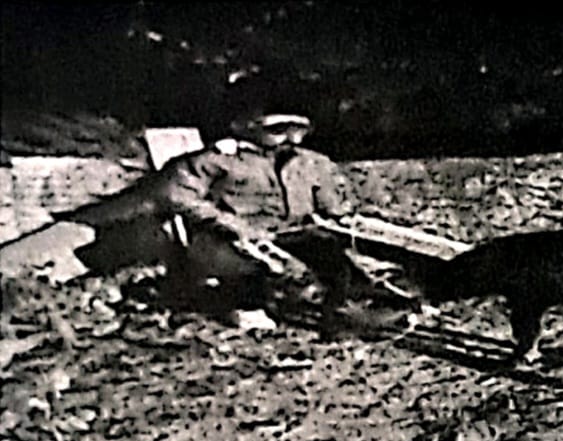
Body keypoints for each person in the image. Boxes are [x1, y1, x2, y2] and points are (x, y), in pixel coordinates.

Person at [55, 112, 407, 337]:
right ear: (246, 127)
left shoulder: (309, 161)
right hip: (226, 238)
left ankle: (346, 309)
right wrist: (228, 222)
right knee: (251, 260)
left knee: (329, 254)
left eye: (298, 131)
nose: (291, 139)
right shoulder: (217, 160)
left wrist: (338, 213)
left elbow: (330, 202)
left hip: (290, 233)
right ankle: (244, 301)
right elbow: (173, 194)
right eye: (278, 131)